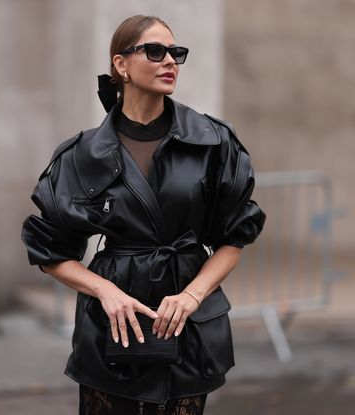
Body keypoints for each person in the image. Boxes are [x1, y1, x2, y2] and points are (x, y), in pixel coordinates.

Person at [21, 14, 265, 415]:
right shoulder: (81, 154)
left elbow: (233, 238)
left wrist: (192, 295)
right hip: (113, 325)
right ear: (121, 65)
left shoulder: (212, 140)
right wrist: (103, 290)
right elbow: (50, 250)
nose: (170, 61)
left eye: (176, 53)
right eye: (155, 51)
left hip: (187, 322)